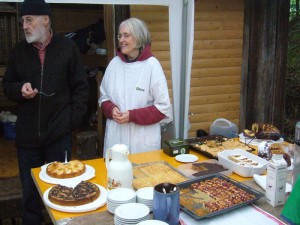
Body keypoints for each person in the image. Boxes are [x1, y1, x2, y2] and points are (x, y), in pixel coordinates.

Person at [2, 0, 89, 224]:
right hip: (27, 139)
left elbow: (81, 88)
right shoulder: (19, 51)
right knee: (30, 197)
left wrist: (69, 122)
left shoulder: (67, 48)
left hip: (58, 138)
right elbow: (7, 85)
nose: (24, 26)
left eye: (29, 20)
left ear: (45, 19)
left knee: (61, 192)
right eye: (23, 21)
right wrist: (20, 89)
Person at [99, 18, 171, 155]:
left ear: (139, 38)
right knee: (116, 174)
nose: (121, 40)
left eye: (126, 35)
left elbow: (163, 108)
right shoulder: (114, 64)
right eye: (120, 36)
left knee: (143, 174)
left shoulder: (151, 65)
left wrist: (132, 116)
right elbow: (103, 98)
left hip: (142, 140)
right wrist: (111, 108)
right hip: (117, 138)